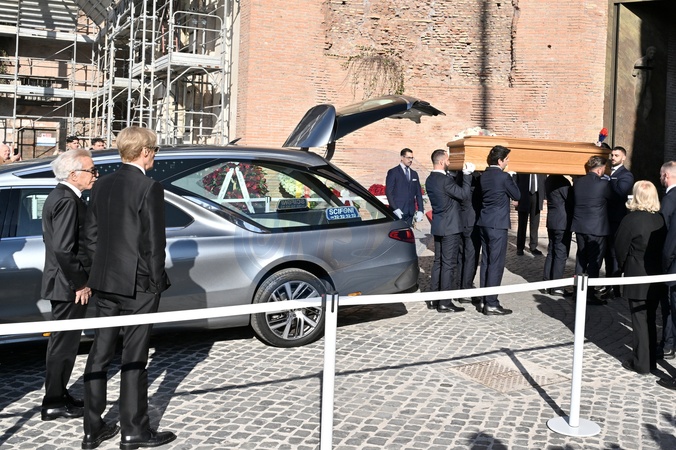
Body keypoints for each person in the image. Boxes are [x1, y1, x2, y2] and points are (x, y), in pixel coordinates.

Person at [82, 126, 176, 449]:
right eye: (155, 150)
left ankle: (92, 428)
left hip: (105, 282)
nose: (155, 156)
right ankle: (134, 431)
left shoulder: (102, 184)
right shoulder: (149, 187)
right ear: (145, 151)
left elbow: (91, 236)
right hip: (138, 286)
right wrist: (155, 284)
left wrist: (99, 271)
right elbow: (154, 244)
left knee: (99, 354)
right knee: (134, 358)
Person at [40, 149, 98, 421]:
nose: (95, 175)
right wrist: (80, 284)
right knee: (63, 345)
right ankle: (53, 401)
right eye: (91, 170)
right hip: (67, 284)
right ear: (74, 174)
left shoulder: (62, 196)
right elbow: (64, 249)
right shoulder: (66, 200)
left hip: (64, 282)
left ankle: (59, 395)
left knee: (65, 344)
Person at [615, 180, 666, 375]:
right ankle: (650, 360)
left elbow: (620, 248)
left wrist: (620, 268)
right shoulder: (660, 219)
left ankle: (642, 363)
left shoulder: (631, 220)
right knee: (650, 318)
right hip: (656, 275)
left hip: (636, 274)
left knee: (639, 319)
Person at [425, 149, 473, 313]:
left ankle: (434, 298)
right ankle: (445, 302)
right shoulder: (445, 181)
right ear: (441, 162)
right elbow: (464, 195)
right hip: (450, 227)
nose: (449, 162)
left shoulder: (430, 179)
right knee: (448, 264)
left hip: (438, 225)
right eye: (447, 160)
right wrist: (467, 175)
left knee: (438, 262)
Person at [476, 145, 520, 315]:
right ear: (500, 160)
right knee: (496, 264)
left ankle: (484, 300)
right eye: (506, 159)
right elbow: (517, 195)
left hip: (484, 222)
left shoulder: (484, 176)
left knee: (486, 262)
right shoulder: (504, 177)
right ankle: (491, 303)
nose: (508, 162)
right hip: (497, 224)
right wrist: (512, 178)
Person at [570, 156, 612, 304]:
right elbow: (613, 198)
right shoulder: (604, 184)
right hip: (597, 227)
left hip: (580, 226)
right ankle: (589, 294)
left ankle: (577, 292)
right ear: (600, 170)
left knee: (581, 259)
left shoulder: (578, 183)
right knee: (594, 262)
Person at [601, 146, 634, 299]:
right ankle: (607, 284)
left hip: (616, 220)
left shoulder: (626, 175)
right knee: (605, 254)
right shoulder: (606, 172)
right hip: (603, 219)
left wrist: (608, 180)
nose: (613, 158)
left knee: (613, 254)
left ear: (623, 158)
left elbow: (620, 193)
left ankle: (614, 288)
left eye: (616, 155)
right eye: (612, 155)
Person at [658, 161, 676, 362]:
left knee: (669, 306)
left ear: (666, 176)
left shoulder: (670, 199)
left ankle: (668, 344)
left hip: (672, 265)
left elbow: (667, 237)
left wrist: (664, 264)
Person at [542, 175, 573, 296]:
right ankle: (557, 287)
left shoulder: (549, 179)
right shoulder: (562, 182)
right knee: (560, 254)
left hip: (552, 220)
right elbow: (570, 200)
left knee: (551, 252)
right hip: (562, 222)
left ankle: (546, 284)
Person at [385, 148, 424, 227]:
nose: (410, 160)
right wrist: (395, 208)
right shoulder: (393, 172)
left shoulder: (414, 173)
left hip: (410, 212)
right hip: (398, 211)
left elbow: (418, 193)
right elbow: (389, 192)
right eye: (408, 158)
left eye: (412, 158)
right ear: (402, 157)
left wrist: (420, 210)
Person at [515, 173, 546, 256]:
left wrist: (544, 198)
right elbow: (516, 182)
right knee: (522, 224)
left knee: (535, 224)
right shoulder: (522, 170)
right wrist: (515, 198)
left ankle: (533, 246)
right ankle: (520, 248)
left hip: (537, 196)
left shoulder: (541, 170)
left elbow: (544, 182)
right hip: (523, 197)